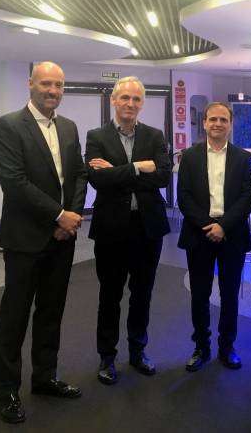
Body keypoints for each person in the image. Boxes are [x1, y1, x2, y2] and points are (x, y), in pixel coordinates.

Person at [0, 61, 87, 423]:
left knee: (51, 312)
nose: (53, 91)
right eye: (46, 83)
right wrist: (58, 215)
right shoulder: (8, 126)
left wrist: (71, 217)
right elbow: (15, 183)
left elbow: (79, 175)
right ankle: (6, 389)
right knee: (14, 316)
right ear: (31, 84)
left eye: (59, 85)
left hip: (62, 239)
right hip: (25, 239)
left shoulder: (69, 126)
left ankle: (45, 378)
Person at [85, 76, 170, 385]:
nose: (130, 104)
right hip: (111, 230)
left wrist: (117, 173)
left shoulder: (154, 135)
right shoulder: (96, 137)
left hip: (147, 228)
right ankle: (107, 357)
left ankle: (138, 351)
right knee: (109, 295)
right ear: (114, 100)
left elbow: (162, 178)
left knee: (142, 294)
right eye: (125, 98)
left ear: (142, 103)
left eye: (136, 99)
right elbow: (98, 180)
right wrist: (137, 168)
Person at [177, 102, 251, 372]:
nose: (218, 124)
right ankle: (201, 346)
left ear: (230, 124)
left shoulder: (243, 158)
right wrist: (209, 225)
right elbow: (184, 197)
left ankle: (227, 346)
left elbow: (248, 197)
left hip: (232, 234)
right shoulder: (189, 156)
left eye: (223, 119)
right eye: (213, 119)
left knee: (230, 293)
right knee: (199, 294)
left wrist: (224, 226)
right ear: (205, 123)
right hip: (199, 234)